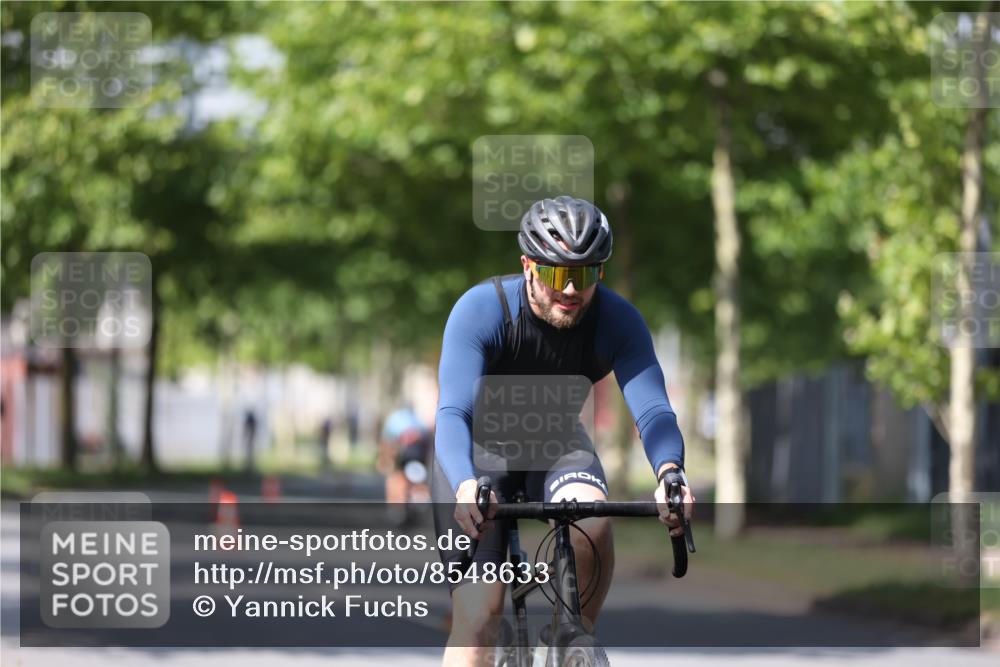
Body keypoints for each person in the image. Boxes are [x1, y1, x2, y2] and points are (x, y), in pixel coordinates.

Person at [432, 196, 695, 666]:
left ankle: (571, 638)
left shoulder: (617, 320)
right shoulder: (482, 310)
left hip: (555, 445)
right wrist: (465, 484)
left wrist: (670, 473)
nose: (571, 289)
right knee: (478, 623)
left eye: (587, 274)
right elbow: (453, 412)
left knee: (594, 520)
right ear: (528, 266)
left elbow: (654, 411)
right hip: (477, 456)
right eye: (556, 275)